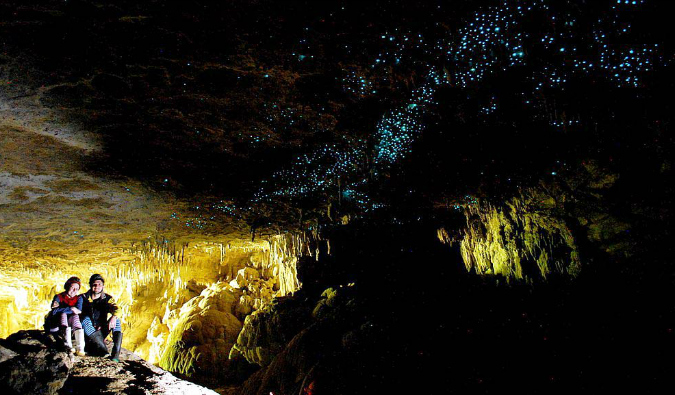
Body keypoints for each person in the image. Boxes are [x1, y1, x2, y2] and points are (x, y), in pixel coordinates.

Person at [81, 274, 123, 362]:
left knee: (117, 320)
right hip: (88, 333)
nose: (97, 287)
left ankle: (116, 354)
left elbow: (117, 309)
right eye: (94, 284)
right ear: (90, 285)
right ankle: (103, 349)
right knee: (85, 319)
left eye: (99, 284)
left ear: (103, 286)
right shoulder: (83, 298)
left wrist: (114, 316)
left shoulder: (107, 299)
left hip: (101, 330)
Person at [46, 276, 86, 356]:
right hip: (57, 322)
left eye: (77, 289)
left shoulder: (79, 298)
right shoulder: (59, 297)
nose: (74, 290)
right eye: (72, 287)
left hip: (71, 319)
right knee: (63, 315)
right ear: (67, 286)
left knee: (75, 317)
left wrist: (62, 308)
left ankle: (80, 348)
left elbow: (79, 310)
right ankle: (68, 346)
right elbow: (54, 311)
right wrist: (71, 308)